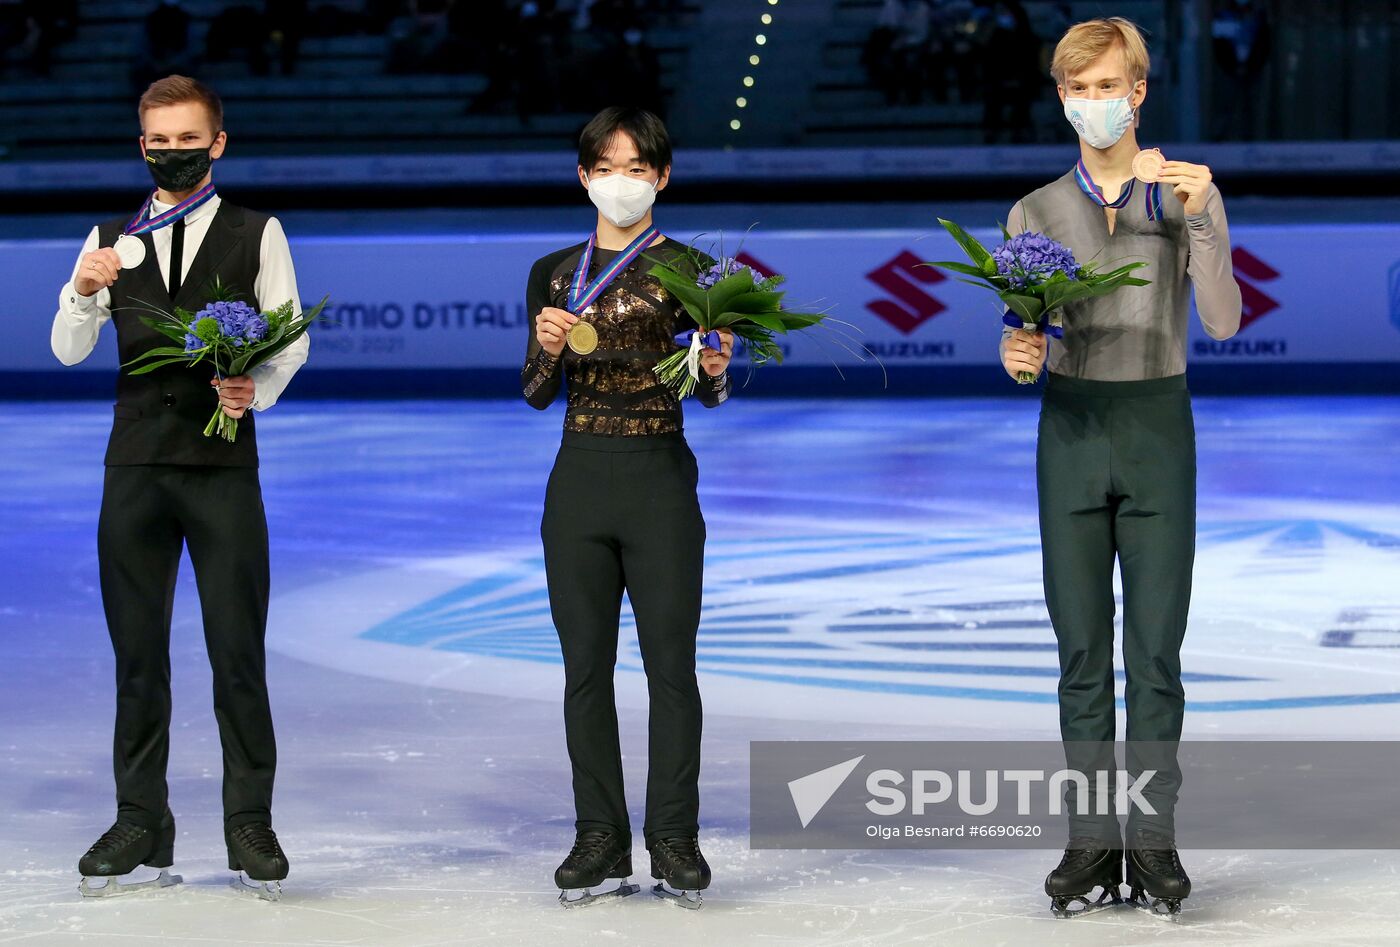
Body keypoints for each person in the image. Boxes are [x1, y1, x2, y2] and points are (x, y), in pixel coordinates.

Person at [998, 18, 1241, 917]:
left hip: (1155, 429)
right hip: (1068, 435)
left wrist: (1206, 215)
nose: (1091, 104)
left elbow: (1221, 319)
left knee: (1154, 653)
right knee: (1080, 655)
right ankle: (1092, 843)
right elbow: (1024, 333)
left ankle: (1154, 840)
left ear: (1138, 93)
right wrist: (1015, 353)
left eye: (1106, 87)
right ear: (1062, 98)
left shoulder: (1182, 197)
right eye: (1076, 89)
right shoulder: (1033, 211)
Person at [51, 75, 308, 901]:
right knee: (137, 657)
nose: (172, 152)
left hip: (223, 469)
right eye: (158, 141)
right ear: (142, 145)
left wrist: (253, 389)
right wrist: (84, 290)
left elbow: (287, 336)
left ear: (218, 143)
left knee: (237, 652)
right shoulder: (107, 238)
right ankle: (141, 820)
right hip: (133, 469)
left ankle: (249, 820)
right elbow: (66, 348)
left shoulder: (255, 231)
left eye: (187, 139)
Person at [522, 106, 733, 909]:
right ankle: (599, 835)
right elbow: (535, 394)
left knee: (671, 669)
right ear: (583, 177)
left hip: (660, 481)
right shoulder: (552, 271)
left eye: (637, 167)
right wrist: (545, 350)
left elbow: (709, 394)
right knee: (586, 670)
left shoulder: (695, 269)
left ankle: (674, 835)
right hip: (577, 480)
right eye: (607, 167)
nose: (622, 180)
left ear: (662, 176)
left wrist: (715, 363)